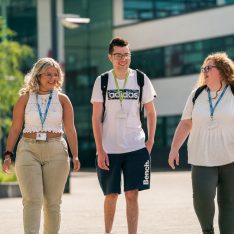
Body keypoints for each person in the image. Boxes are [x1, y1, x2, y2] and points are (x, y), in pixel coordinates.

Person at [2, 57, 80, 234]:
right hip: (28, 149)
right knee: (32, 200)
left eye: (56, 75)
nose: (53, 78)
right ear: (37, 76)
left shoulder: (62, 99)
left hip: (56, 151)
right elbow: (15, 128)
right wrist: (8, 154)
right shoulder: (25, 99)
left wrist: (75, 155)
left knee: (53, 203)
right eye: (48, 74)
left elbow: (70, 129)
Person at [91, 37, 157, 234]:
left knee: (132, 194)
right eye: (118, 55)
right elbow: (96, 118)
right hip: (109, 148)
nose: (123, 59)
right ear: (110, 57)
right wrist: (100, 149)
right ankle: (108, 232)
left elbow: (151, 112)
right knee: (111, 195)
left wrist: (150, 140)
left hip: (135, 146)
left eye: (126, 54)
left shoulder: (140, 79)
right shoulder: (102, 81)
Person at [168, 52, 234, 234]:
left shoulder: (233, 92)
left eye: (209, 68)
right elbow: (186, 123)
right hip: (202, 158)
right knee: (202, 198)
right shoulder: (197, 95)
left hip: (231, 158)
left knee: (229, 203)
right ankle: (208, 231)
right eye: (203, 68)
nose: (204, 71)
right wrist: (174, 148)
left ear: (221, 70)